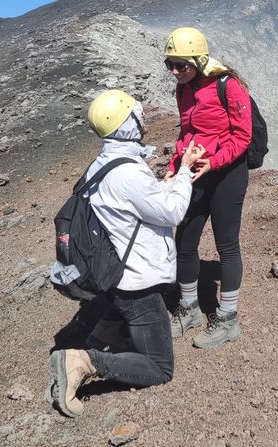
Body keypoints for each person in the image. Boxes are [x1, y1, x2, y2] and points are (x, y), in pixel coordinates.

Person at [49, 89, 204, 417]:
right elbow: (172, 212)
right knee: (160, 367)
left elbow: (136, 207)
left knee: (123, 313)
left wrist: (166, 184)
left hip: (117, 273)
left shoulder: (106, 163)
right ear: (126, 124)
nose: (143, 118)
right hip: (137, 283)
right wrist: (187, 171)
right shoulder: (128, 171)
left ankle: (99, 337)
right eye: (137, 114)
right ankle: (84, 361)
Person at [163, 27, 253, 349]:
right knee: (184, 240)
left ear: (198, 60)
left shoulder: (228, 85)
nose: (175, 72)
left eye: (181, 65)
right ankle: (189, 310)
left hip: (227, 174)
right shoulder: (183, 90)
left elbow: (243, 137)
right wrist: (175, 168)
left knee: (226, 245)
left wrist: (214, 163)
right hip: (196, 171)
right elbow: (187, 132)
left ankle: (228, 320)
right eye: (169, 64)